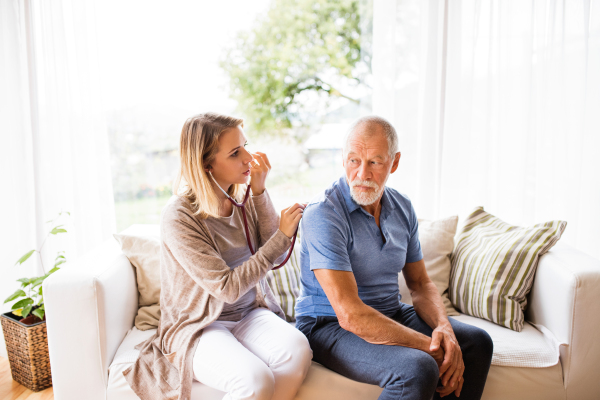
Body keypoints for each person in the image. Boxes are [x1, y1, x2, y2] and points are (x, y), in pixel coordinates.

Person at [295, 116, 493, 400]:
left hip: (390, 311)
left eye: (375, 162)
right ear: (342, 159)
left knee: (475, 342)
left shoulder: (402, 206)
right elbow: (350, 315)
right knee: (419, 367)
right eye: (353, 160)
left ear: (394, 162)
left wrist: (444, 329)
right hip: (329, 325)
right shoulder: (324, 213)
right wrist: (433, 348)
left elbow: (421, 284)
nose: (362, 173)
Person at [124, 112, 313, 400]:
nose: (249, 158)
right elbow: (227, 288)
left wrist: (260, 192)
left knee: (298, 351)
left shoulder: (242, 197)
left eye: (246, 146)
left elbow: (275, 257)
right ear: (206, 164)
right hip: (199, 325)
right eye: (236, 153)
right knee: (255, 380)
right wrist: (281, 236)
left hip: (250, 313)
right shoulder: (179, 217)